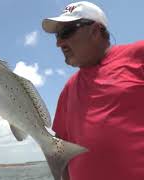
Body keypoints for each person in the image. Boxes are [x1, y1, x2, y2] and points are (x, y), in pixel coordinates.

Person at [42, 1, 144, 180]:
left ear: (95, 31)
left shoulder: (138, 55)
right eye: (57, 36)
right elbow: (59, 150)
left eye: (66, 32)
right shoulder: (69, 88)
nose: (59, 43)